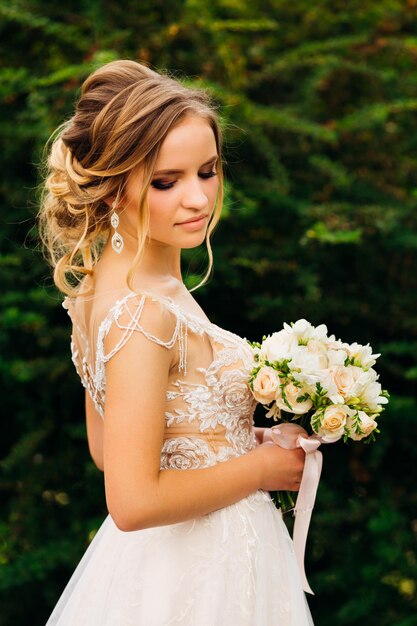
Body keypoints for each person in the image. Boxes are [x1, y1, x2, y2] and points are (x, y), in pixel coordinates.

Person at [39, 59, 313, 625]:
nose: (198, 198)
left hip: (183, 556)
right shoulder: (144, 311)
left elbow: (109, 450)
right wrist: (259, 470)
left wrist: (241, 439)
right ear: (113, 188)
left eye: (207, 172)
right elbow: (132, 501)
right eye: (167, 181)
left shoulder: (101, 291)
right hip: (200, 567)